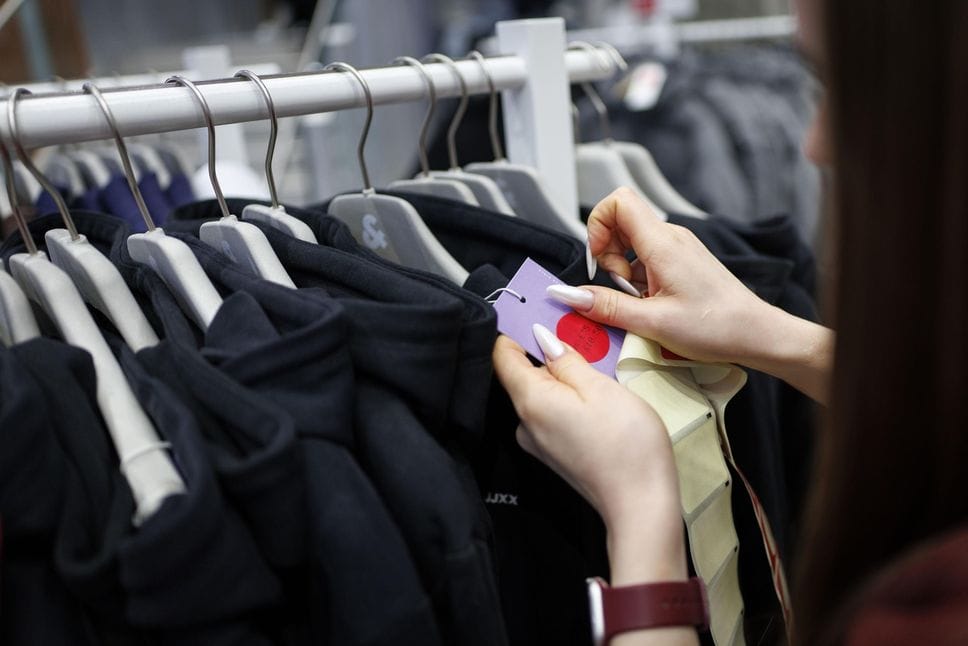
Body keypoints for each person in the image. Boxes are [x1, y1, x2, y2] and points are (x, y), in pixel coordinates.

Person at [492, 0, 968, 644]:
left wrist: (642, 509)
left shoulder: (930, 612)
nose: (814, 144)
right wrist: (771, 333)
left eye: (841, 88)